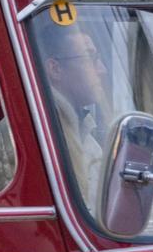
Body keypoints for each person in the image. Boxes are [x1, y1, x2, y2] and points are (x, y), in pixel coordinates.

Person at [36, 15, 111, 207]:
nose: (102, 70)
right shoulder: (33, 136)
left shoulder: (81, 127)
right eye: (91, 58)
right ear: (55, 69)